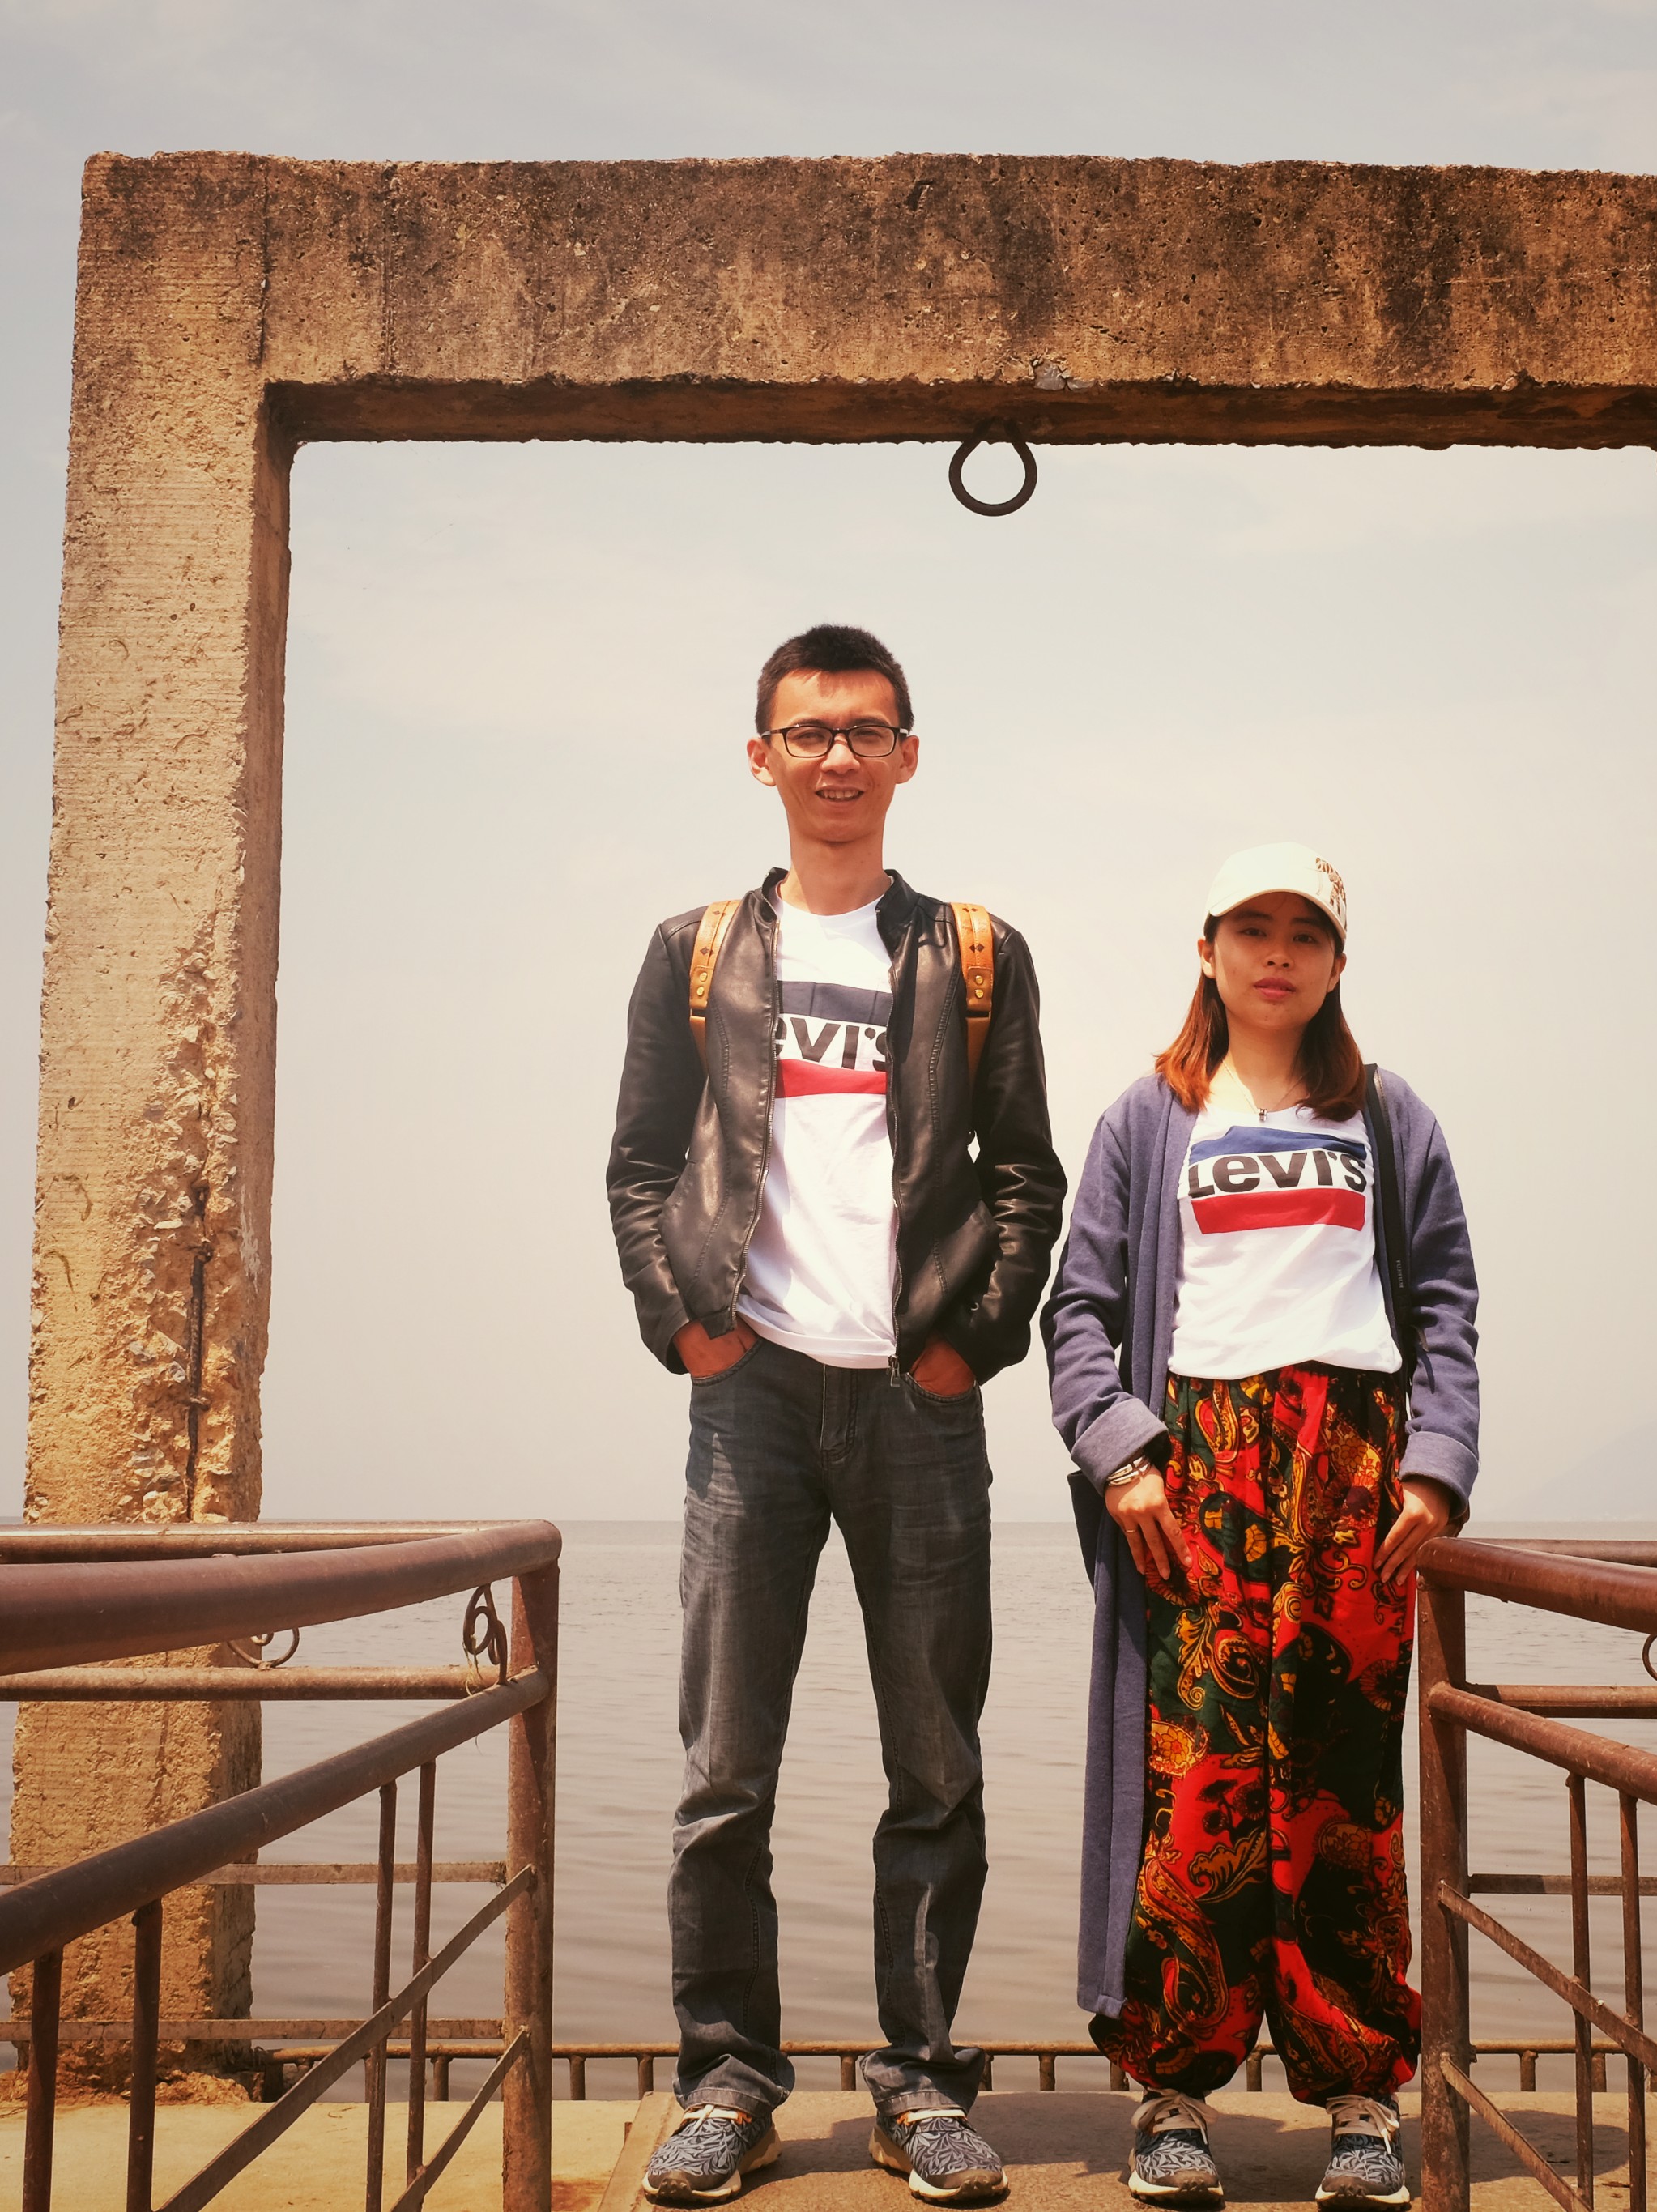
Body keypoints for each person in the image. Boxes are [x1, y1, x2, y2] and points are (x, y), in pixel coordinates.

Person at [607, 624, 1067, 2206]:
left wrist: (967, 1347)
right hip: (750, 1399)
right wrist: (689, 1328)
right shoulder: (692, 953)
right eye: (807, 732)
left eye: (867, 731)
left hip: (918, 1405)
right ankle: (727, 2086)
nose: (837, 758)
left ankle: (922, 2086)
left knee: (934, 1768)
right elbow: (640, 1168)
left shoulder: (974, 954)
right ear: (761, 757)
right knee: (722, 1774)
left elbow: (1024, 1178)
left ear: (908, 756)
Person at [1040, 844, 1482, 2210]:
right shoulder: (1148, 1118)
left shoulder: (1388, 1117)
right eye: (1251, 928)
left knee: (1343, 1795)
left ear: (1338, 962)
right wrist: (1123, 1458)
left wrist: (1434, 1471)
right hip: (1199, 1474)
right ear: (1209, 950)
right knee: (1199, 1783)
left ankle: (1359, 2094)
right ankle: (1175, 2093)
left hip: (1351, 1476)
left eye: (1304, 932)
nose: (1277, 953)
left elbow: (1446, 1305)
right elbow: (1079, 1312)